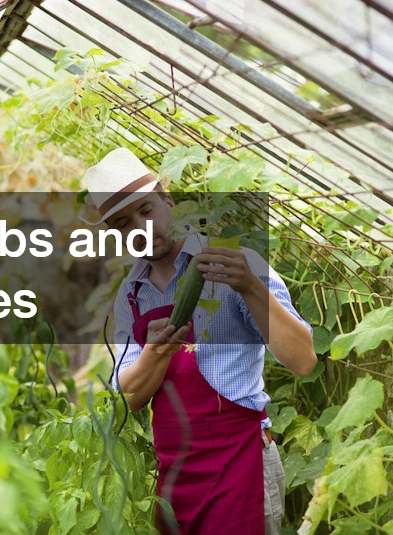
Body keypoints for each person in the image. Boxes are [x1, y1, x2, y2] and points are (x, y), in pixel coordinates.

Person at [81, 148, 317, 535]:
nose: (141, 227)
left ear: (168, 202)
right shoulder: (129, 297)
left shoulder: (239, 264)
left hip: (242, 463)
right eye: (124, 223)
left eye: (146, 210)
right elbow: (128, 397)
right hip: (176, 480)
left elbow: (304, 361)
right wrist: (154, 356)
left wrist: (249, 287)